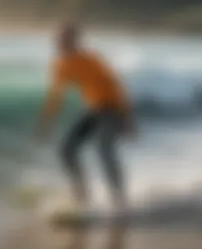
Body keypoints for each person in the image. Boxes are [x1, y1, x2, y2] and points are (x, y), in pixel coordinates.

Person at [35, 23, 136, 210]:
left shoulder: (91, 60)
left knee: (104, 149)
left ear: (76, 41)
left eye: (65, 39)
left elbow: (116, 86)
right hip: (93, 110)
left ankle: (120, 199)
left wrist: (128, 118)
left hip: (112, 110)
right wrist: (47, 121)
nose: (60, 43)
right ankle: (82, 194)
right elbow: (56, 95)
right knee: (66, 149)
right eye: (58, 40)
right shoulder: (60, 65)